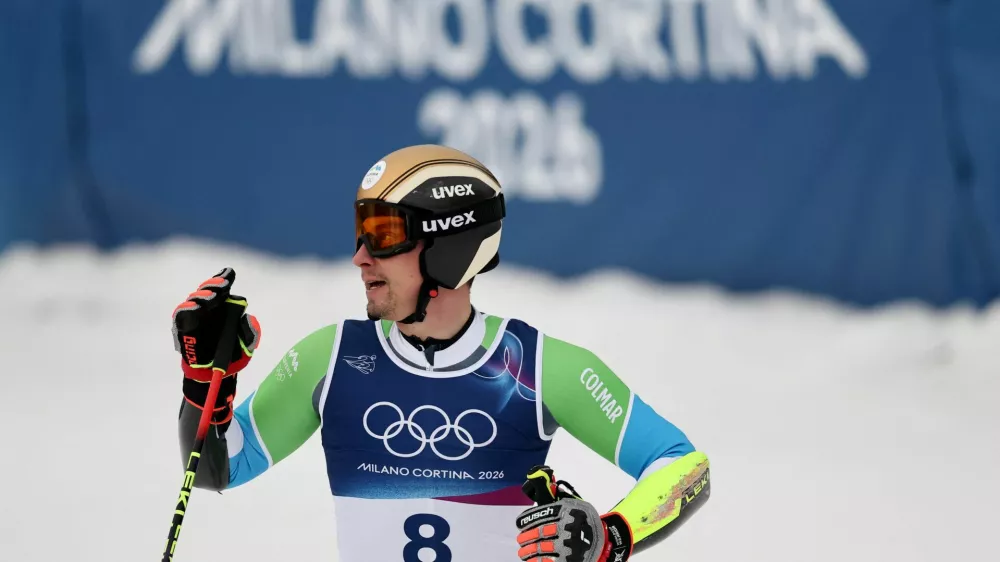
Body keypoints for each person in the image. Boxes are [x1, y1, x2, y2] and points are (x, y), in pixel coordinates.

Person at [171, 144, 711, 562]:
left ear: (448, 248)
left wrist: (611, 535)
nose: (361, 257)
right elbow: (223, 468)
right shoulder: (329, 359)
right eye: (361, 233)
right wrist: (203, 381)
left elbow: (684, 467)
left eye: (383, 235)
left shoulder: (539, 368)